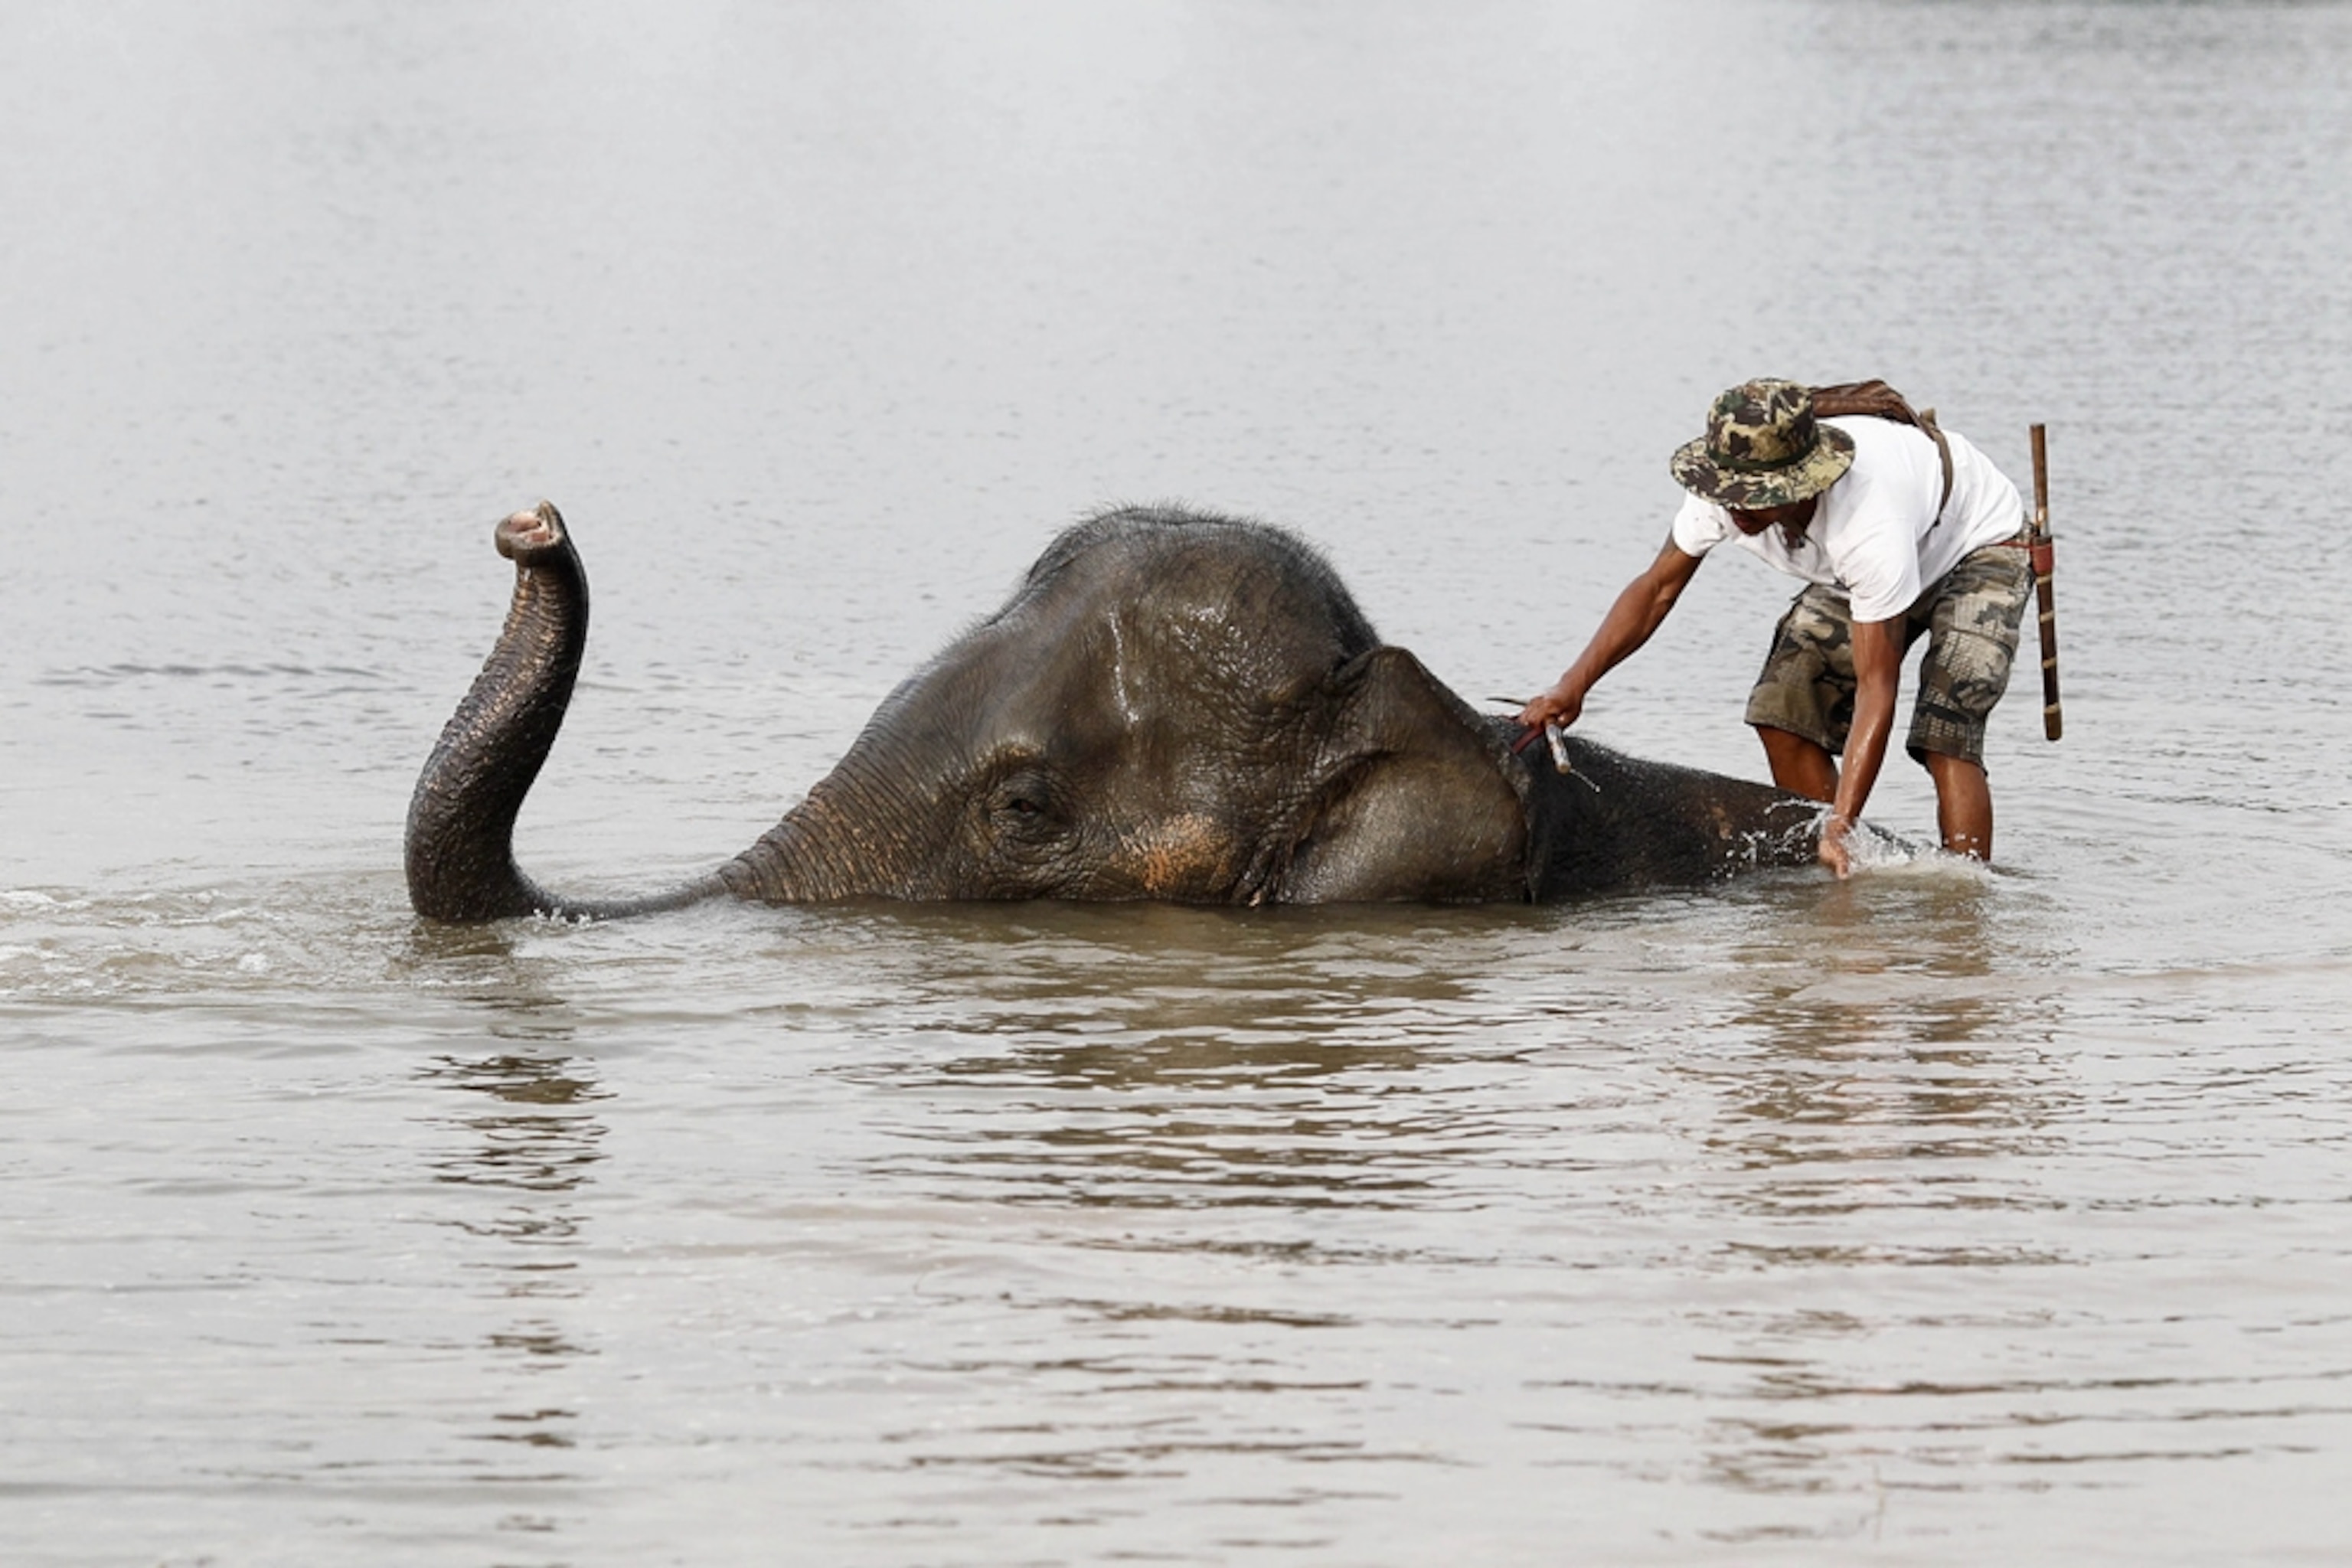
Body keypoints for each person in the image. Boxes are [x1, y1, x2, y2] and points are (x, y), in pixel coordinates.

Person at [1517, 377, 2033, 877]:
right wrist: (1573, 685)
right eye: (1729, 491)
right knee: (1782, 706)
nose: (1735, 506)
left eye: (1754, 495)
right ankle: (1841, 867)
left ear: (1803, 485)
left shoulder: (1866, 521)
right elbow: (1656, 590)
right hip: (1880, 562)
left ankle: (1964, 893)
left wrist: (1844, 820)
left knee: (1945, 725)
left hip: (1978, 545)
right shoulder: (1723, 493)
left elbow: (1878, 688)